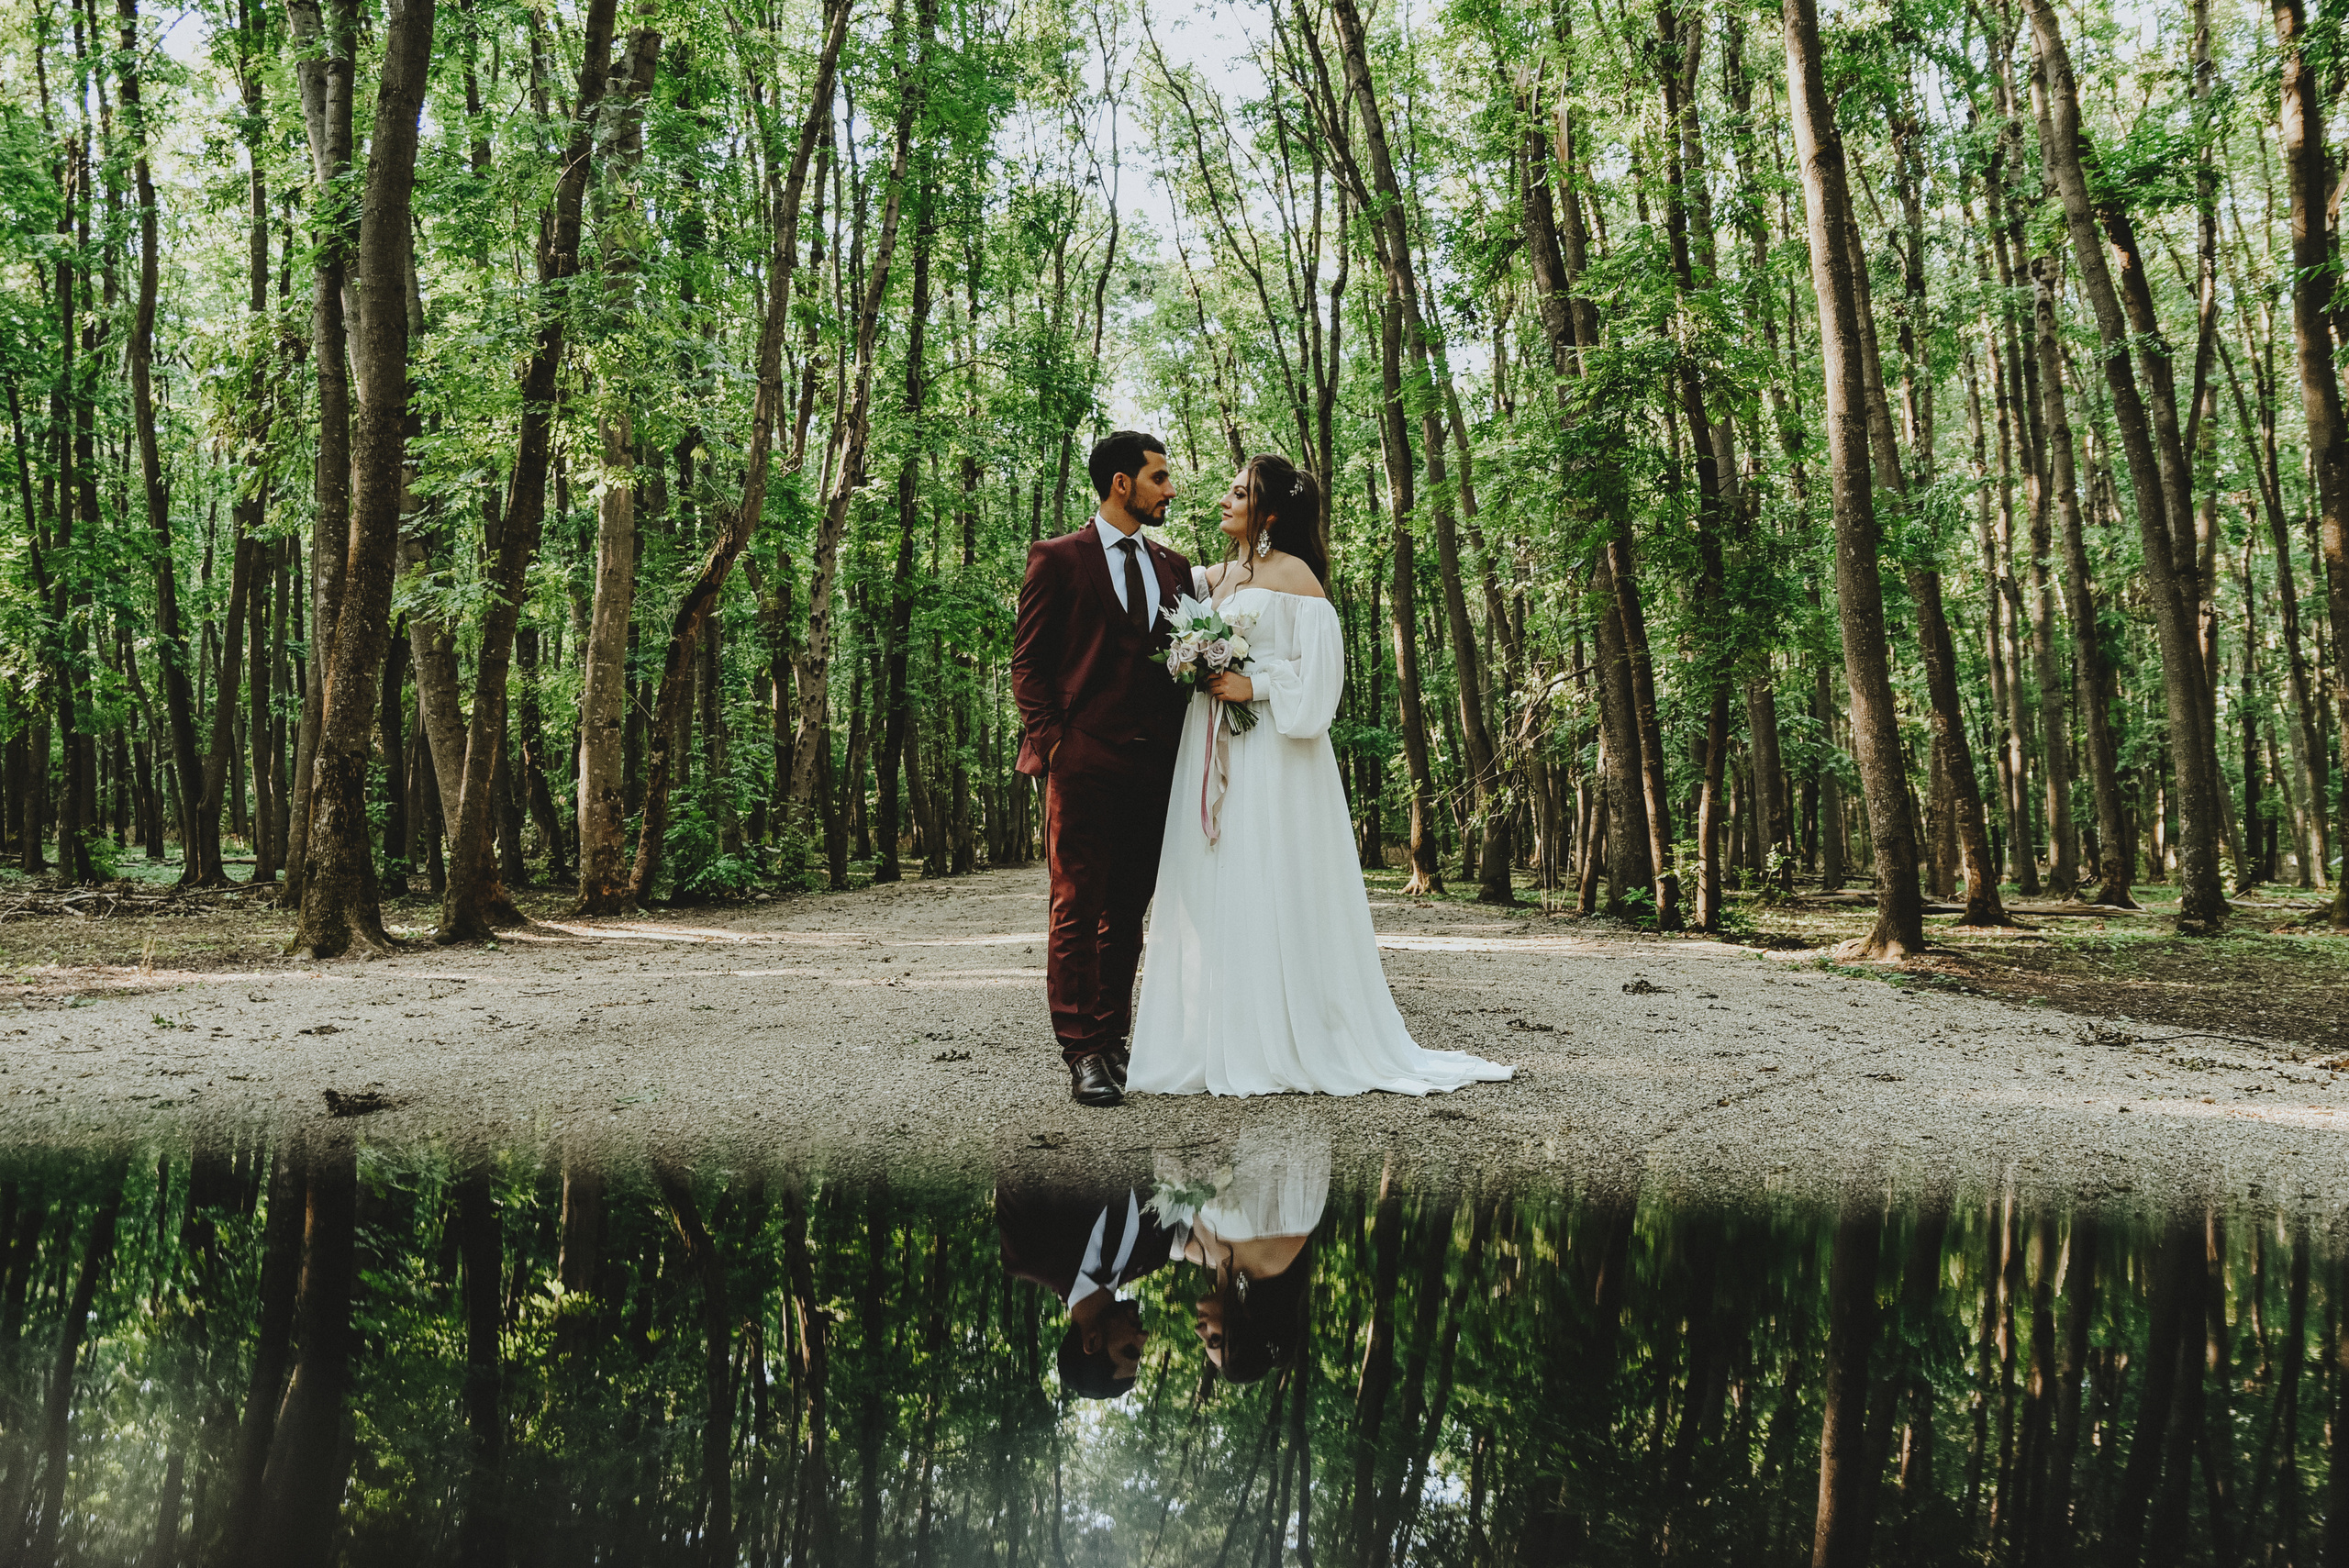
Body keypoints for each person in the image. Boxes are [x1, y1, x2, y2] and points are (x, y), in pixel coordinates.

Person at [1127, 454, 1515, 1096]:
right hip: (1209, 742)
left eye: (1239, 493)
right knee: (1217, 878)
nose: (1224, 500)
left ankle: (1284, 1035)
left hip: (1272, 754)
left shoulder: (1296, 576)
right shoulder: (1205, 579)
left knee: (1268, 873)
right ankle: (1214, 1033)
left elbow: (1320, 683)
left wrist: (1254, 686)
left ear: (1270, 514)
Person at [1011, 432, 1193, 1107]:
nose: (1169, 489)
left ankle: (1114, 1037)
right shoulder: (1058, 558)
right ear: (1122, 483)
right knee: (1075, 906)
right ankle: (1082, 1048)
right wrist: (1056, 744)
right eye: (1159, 477)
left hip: (1156, 766)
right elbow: (1028, 663)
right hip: (1082, 762)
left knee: (1128, 909)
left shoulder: (1174, 567)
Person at [996, 1168, 1179, 1400]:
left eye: (1130, 1349)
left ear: (1092, 1341)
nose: (1143, 1337)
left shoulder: (1027, 1251)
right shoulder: (1154, 1255)